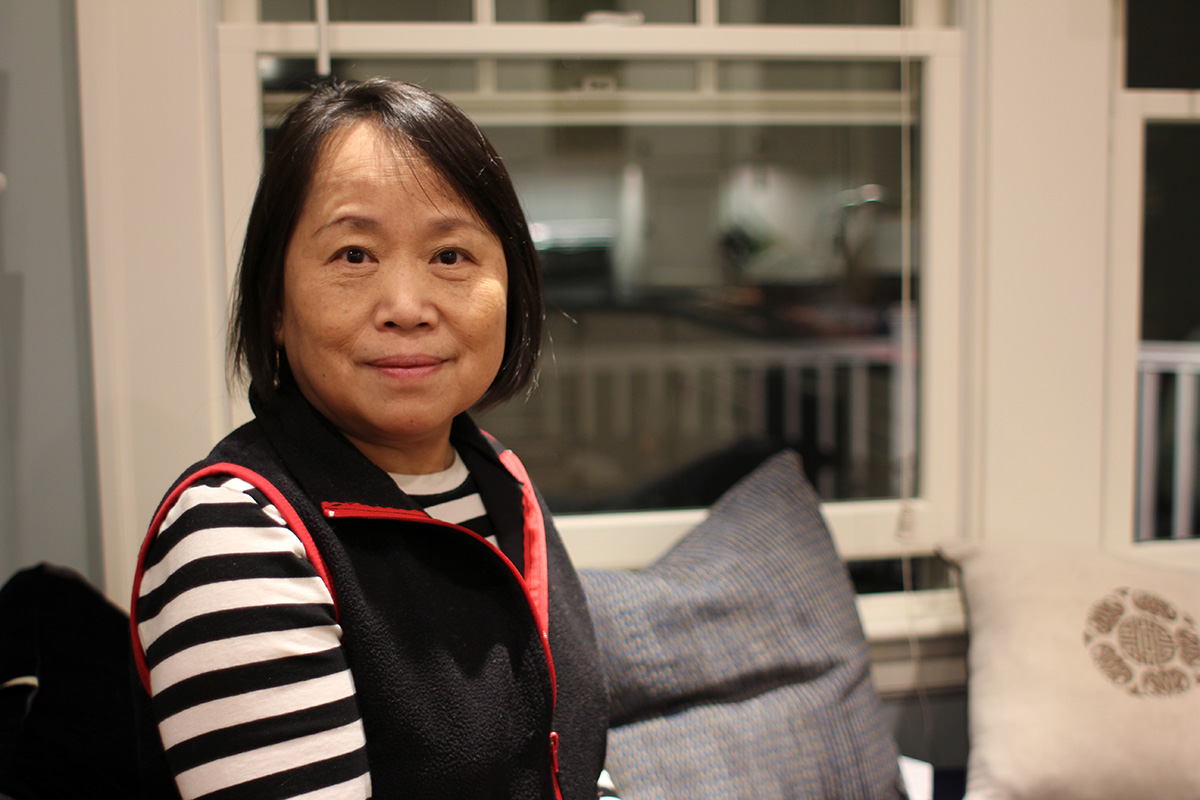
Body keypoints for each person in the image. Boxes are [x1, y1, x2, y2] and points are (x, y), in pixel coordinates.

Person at [129, 78, 614, 800]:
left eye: (450, 255)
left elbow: (568, 759)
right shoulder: (234, 535)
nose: (407, 307)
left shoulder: (499, 481)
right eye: (354, 255)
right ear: (275, 305)